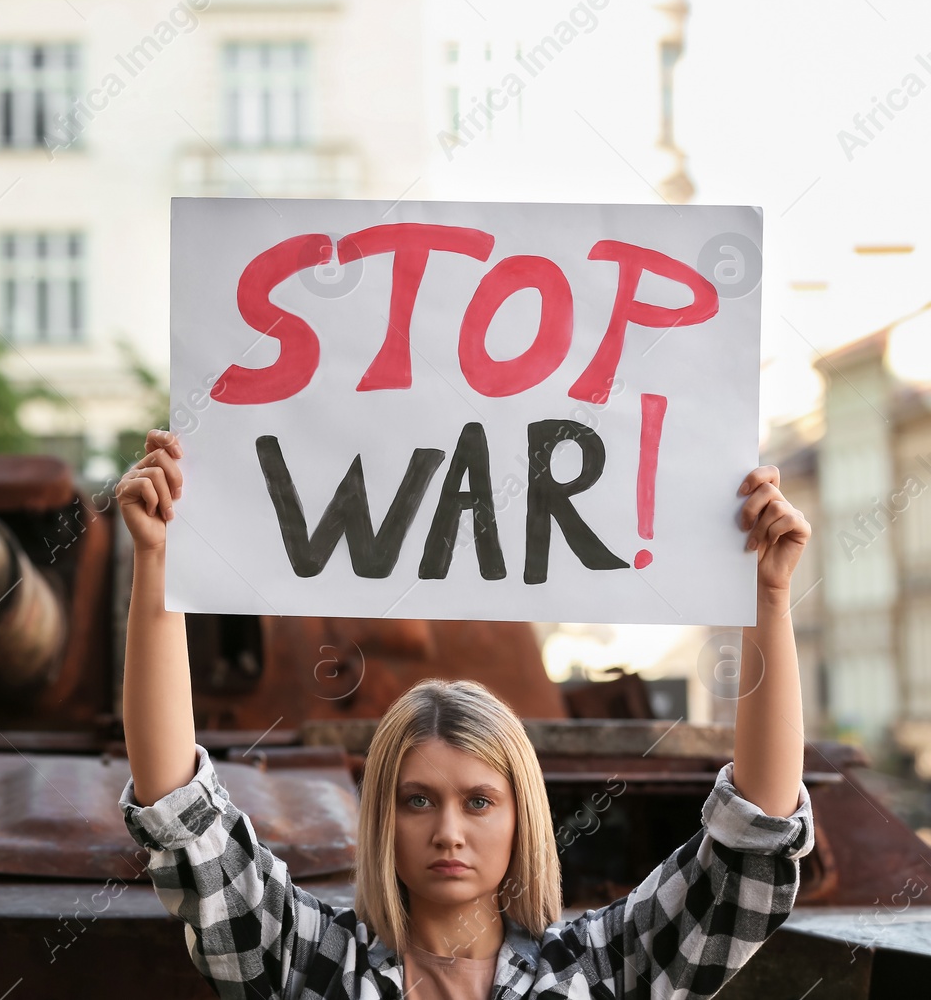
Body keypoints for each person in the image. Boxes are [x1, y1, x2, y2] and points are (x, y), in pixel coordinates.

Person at [115, 427, 814, 1000]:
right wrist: (157, 562)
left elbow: (751, 843)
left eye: (479, 800)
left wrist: (769, 602)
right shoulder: (315, 963)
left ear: (523, 816)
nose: (448, 830)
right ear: (383, 814)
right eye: (417, 799)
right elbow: (182, 814)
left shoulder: (594, 968)